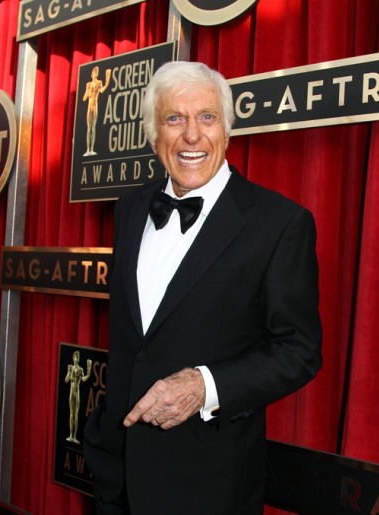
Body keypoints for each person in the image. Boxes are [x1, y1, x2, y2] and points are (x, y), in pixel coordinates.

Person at [83, 61, 322, 514]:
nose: (192, 135)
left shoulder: (279, 223)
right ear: (154, 136)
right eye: (175, 119)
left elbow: (299, 350)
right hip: (117, 476)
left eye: (207, 118)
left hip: (209, 485)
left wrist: (204, 384)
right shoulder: (131, 207)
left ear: (227, 131)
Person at [82, 66, 112, 156]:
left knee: (93, 127)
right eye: (94, 72)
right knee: (89, 128)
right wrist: (87, 92)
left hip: (95, 107)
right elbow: (84, 98)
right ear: (92, 74)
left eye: (97, 72)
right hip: (89, 108)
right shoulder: (88, 84)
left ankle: (91, 149)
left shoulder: (99, 83)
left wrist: (107, 83)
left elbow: (102, 90)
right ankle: (88, 149)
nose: (96, 73)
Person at [65, 350, 92, 443]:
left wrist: (88, 373)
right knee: (71, 414)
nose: (77, 359)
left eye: (78, 357)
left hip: (77, 393)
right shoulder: (70, 368)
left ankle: (74, 436)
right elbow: (66, 380)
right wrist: (68, 372)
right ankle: (70, 435)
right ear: (73, 358)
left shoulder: (80, 370)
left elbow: (83, 379)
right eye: (75, 357)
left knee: (76, 415)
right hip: (71, 392)